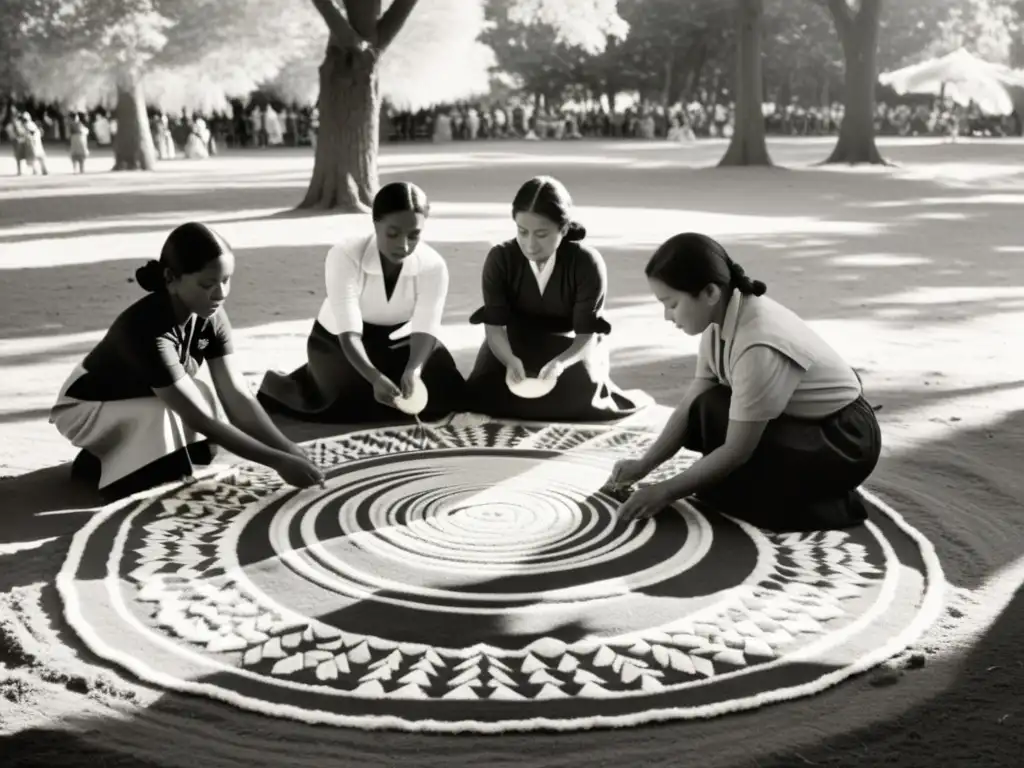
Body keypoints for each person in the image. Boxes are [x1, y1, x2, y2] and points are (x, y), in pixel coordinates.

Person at [610, 233, 881, 532]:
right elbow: (692, 405)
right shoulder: (718, 320)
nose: (666, 316)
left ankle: (824, 500)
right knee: (708, 406)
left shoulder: (757, 345)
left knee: (742, 494)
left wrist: (666, 490)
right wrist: (643, 466)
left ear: (710, 292)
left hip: (842, 440)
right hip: (804, 424)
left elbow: (738, 450)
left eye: (671, 304)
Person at [50, 223, 324, 501]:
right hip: (85, 407)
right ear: (171, 278)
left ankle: (125, 455)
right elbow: (200, 419)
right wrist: (278, 461)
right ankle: (96, 463)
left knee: (201, 404)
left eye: (226, 280)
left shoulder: (212, 315)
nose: (220, 294)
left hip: (145, 398)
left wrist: (288, 448)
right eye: (207, 284)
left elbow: (236, 394)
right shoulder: (146, 328)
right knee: (159, 444)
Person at [257, 182, 466, 423]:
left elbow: (425, 327)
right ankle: (285, 386)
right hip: (336, 342)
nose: (404, 245)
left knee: (441, 378)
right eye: (393, 233)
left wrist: (414, 370)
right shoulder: (345, 255)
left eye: (414, 235)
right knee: (349, 395)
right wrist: (374, 378)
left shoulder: (433, 265)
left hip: (392, 341)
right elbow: (349, 333)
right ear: (376, 224)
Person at [464, 176, 649, 421]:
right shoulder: (500, 258)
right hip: (512, 344)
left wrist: (560, 364)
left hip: (569, 347)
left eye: (541, 234)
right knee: (483, 394)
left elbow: (586, 334)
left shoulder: (586, 263)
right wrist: (509, 360)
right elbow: (495, 328)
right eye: (522, 232)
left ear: (563, 229)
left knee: (579, 398)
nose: (530, 245)